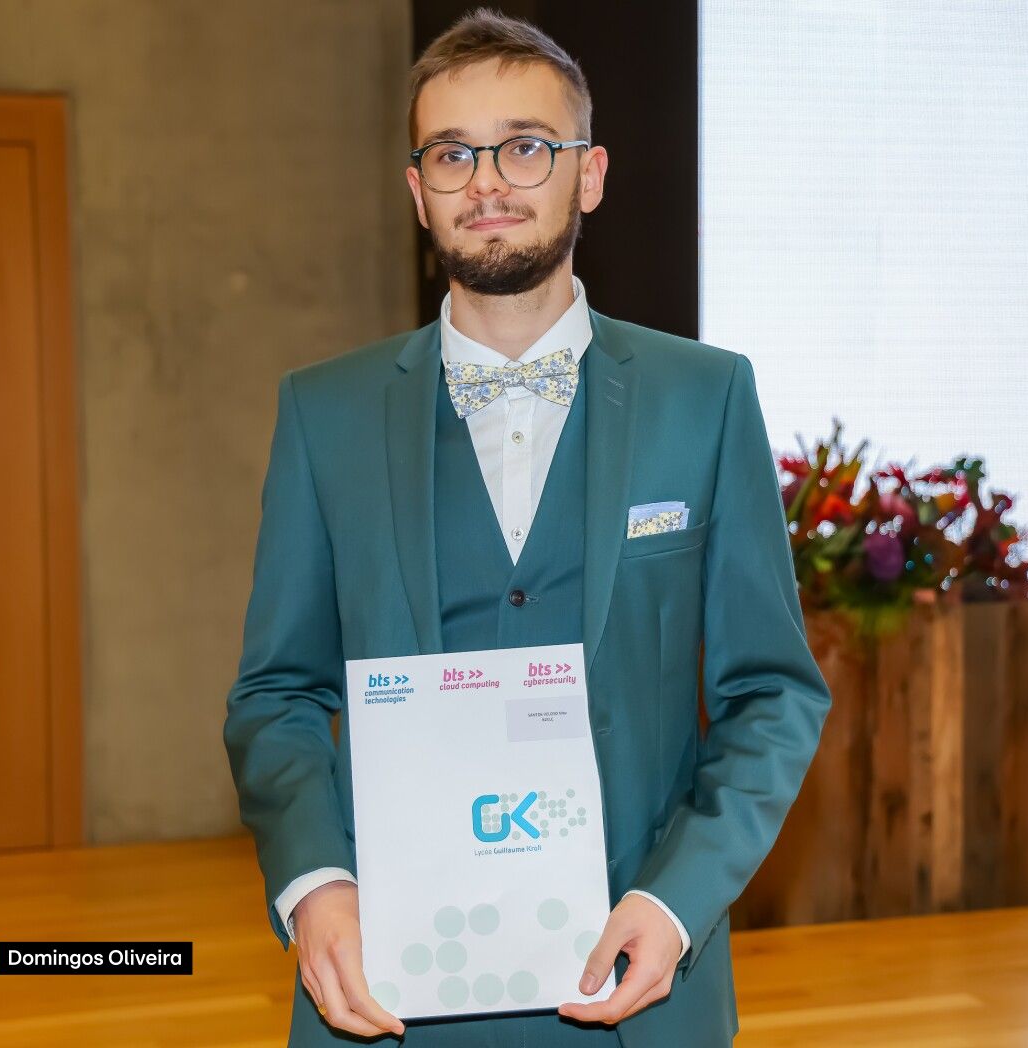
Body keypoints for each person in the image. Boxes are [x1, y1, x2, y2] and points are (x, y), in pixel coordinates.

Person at [221, 8, 832, 1046]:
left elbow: (773, 692)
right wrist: (315, 882)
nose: (488, 183)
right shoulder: (323, 413)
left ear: (588, 175)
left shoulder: (708, 397)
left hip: (636, 982)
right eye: (453, 154)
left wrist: (677, 900)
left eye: (525, 147)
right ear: (418, 190)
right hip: (385, 986)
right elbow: (277, 692)